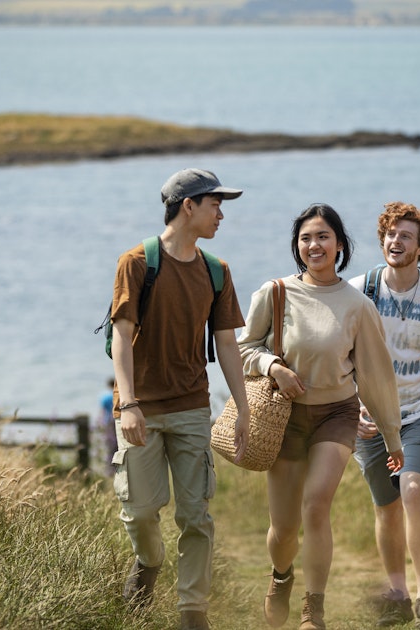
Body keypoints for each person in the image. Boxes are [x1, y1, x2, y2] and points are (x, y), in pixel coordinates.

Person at [237, 203, 404, 630]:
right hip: (284, 416)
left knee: (316, 505)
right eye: (306, 238)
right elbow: (242, 349)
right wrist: (273, 366)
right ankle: (281, 576)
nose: (315, 245)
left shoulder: (356, 305)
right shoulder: (274, 292)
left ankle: (314, 609)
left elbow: (377, 376)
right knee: (284, 528)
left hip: (337, 412)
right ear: (298, 246)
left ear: (340, 246)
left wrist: (391, 435)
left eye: (324, 237)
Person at [108, 168, 250, 630]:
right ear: (187, 206)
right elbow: (121, 337)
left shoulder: (217, 271)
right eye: (215, 204)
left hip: (191, 407)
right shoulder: (136, 263)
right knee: (142, 510)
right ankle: (148, 564)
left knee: (196, 514)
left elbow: (227, 345)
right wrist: (128, 404)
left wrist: (242, 407)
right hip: (140, 410)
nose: (221, 214)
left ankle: (193, 611)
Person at [348, 202, 420, 628]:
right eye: (390, 234)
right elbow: (342, 355)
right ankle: (396, 593)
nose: (395, 242)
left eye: (406, 236)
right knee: (387, 506)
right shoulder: (361, 289)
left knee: (413, 489)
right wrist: (350, 408)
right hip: (371, 418)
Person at [95, 377, 116, 475]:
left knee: (109, 445)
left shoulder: (103, 396)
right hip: (115, 420)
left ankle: (109, 469)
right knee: (117, 445)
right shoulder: (115, 395)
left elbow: (102, 410)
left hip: (107, 421)